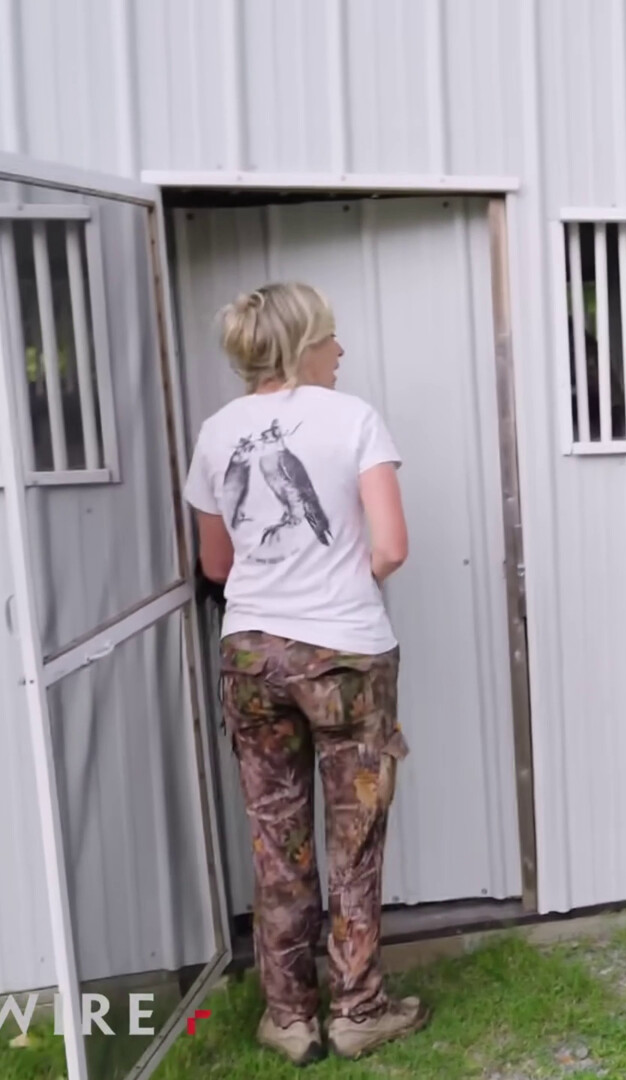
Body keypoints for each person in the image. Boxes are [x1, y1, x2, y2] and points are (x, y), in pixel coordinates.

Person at [182, 281, 428, 1065]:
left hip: (252, 658)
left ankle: (289, 1018)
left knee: (275, 839)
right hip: (345, 657)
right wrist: (340, 591)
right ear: (301, 346)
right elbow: (390, 547)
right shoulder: (352, 418)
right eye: (330, 337)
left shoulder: (216, 432)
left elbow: (215, 564)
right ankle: (359, 1009)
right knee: (355, 838)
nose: (340, 350)